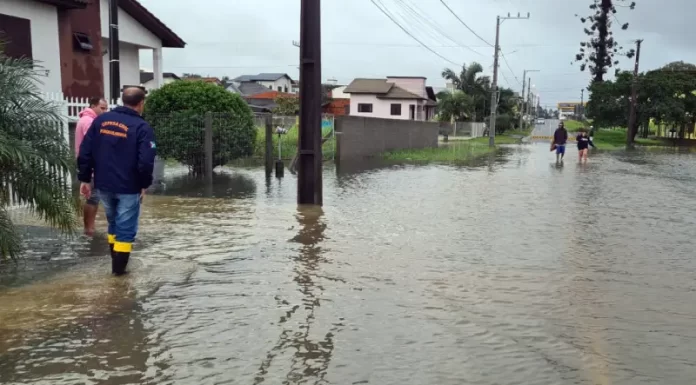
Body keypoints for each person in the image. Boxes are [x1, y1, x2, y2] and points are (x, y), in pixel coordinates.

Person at [77, 87, 155, 276]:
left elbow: (85, 151)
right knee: (125, 229)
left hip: (104, 183)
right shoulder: (141, 127)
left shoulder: (101, 121)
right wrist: (144, 184)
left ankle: (115, 266)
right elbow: (145, 161)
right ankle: (119, 276)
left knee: (113, 224)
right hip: (128, 186)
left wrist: (85, 179)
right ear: (141, 103)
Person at [75, 97, 108, 237]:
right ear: (93, 106)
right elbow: (96, 144)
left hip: (88, 164)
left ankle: (90, 228)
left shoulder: (85, 119)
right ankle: (89, 229)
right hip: (92, 165)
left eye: (106, 108)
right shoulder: (90, 122)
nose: (105, 111)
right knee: (93, 198)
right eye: (102, 108)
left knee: (93, 197)